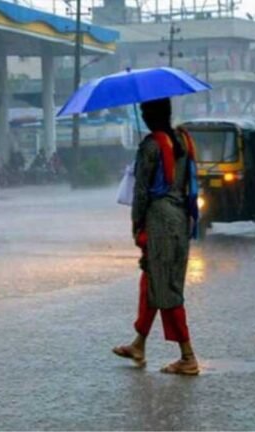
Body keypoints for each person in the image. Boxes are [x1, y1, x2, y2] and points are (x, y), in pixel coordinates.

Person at [112, 98, 201, 375]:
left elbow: (141, 192)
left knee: (166, 289)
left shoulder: (150, 146)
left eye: (143, 111)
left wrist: (137, 224)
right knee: (153, 281)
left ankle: (188, 356)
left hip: (159, 221)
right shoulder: (184, 141)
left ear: (151, 116)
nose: (143, 115)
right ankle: (139, 343)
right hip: (181, 218)